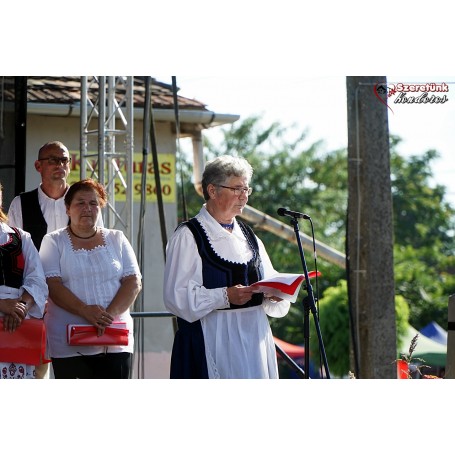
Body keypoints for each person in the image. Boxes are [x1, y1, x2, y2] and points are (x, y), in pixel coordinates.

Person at [163, 155, 291, 379]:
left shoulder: (249, 237)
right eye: (237, 189)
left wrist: (275, 293)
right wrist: (225, 296)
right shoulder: (189, 235)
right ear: (212, 190)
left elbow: (269, 277)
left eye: (246, 189)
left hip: (254, 341)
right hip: (213, 339)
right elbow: (177, 296)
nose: (244, 196)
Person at [8, 140, 103, 379]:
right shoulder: (21, 203)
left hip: (75, 299)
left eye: (64, 160)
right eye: (53, 160)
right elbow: (12, 255)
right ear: (38, 165)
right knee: (37, 369)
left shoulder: (84, 202)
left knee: (76, 368)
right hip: (35, 301)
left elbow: (97, 248)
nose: (60, 165)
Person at [39, 178, 142, 379]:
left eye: (93, 203)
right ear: (68, 209)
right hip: (69, 343)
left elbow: (133, 281)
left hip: (115, 340)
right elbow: (52, 284)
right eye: (80, 203)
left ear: (101, 207)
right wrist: (84, 310)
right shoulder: (53, 241)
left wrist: (107, 317)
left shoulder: (117, 238)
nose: (87, 208)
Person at [0, 182, 48, 379]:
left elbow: (37, 279)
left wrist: (21, 306)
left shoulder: (21, 238)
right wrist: (3, 304)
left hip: (18, 322)